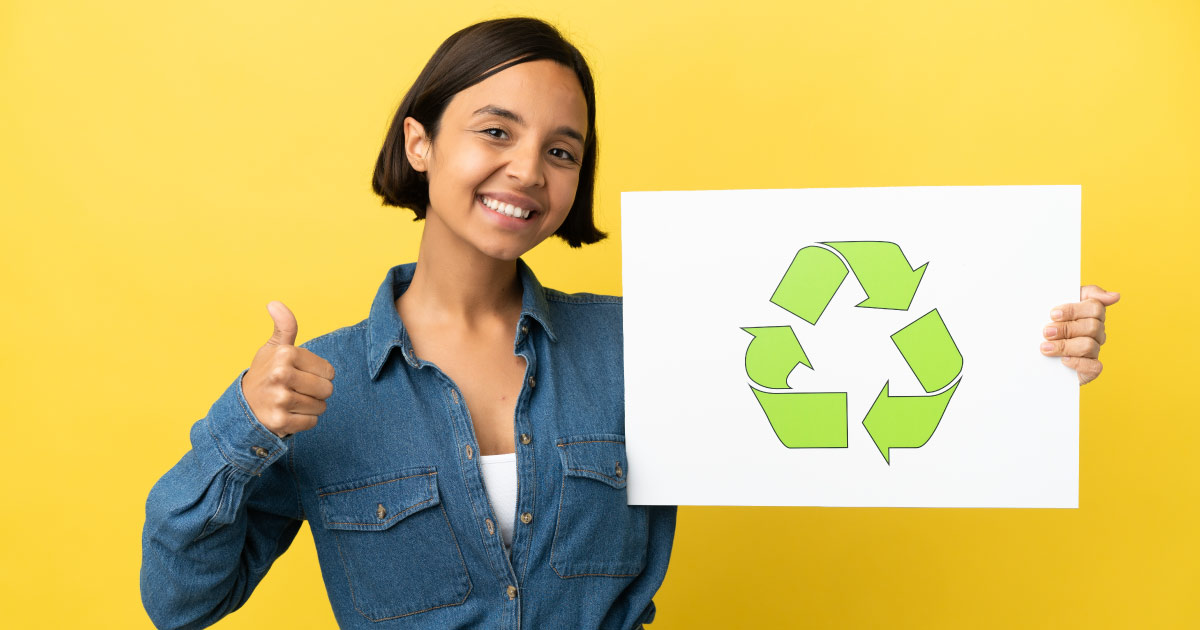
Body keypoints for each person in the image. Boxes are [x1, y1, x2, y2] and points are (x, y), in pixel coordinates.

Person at [140, 16, 1119, 630]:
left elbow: (867, 373)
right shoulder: (316, 389)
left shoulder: (655, 339)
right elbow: (178, 604)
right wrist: (240, 431)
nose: (529, 168)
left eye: (562, 149)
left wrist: (1030, 354)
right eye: (496, 130)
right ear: (420, 142)